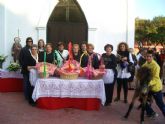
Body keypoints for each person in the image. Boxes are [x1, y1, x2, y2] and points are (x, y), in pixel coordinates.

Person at [143, 50, 165, 117]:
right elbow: (141, 72)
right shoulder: (146, 63)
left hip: (156, 88)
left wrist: (147, 84)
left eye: (149, 56)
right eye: (147, 56)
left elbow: (155, 79)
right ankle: (150, 113)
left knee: (160, 104)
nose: (148, 58)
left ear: (153, 57)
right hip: (148, 87)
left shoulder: (156, 66)